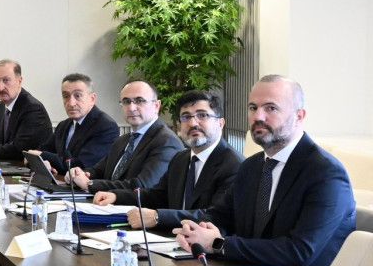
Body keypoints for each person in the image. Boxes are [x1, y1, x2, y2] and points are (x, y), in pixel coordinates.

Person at [176, 76, 356, 266]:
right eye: (253, 108)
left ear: (299, 116)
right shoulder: (251, 166)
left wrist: (218, 244)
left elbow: (299, 252)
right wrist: (194, 231)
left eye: (271, 108)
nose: (258, 116)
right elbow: (221, 216)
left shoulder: (326, 174)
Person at [94, 90, 240, 230]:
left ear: (220, 123)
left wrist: (158, 217)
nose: (193, 123)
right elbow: (158, 196)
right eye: (186, 117)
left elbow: (216, 216)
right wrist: (116, 196)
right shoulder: (181, 158)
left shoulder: (234, 165)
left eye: (202, 115)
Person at [67, 79, 182, 193]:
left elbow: (142, 186)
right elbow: (98, 170)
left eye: (139, 101)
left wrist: (90, 184)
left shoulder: (166, 141)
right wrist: (79, 174)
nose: (131, 108)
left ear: (156, 105)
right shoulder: (123, 140)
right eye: (126, 101)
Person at [38, 73, 119, 174]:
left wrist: (41, 156)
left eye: (78, 96)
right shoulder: (63, 125)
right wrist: (42, 161)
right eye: (66, 96)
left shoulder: (106, 126)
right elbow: (44, 150)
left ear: (92, 99)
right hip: (59, 181)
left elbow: (80, 165)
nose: (71, 103)